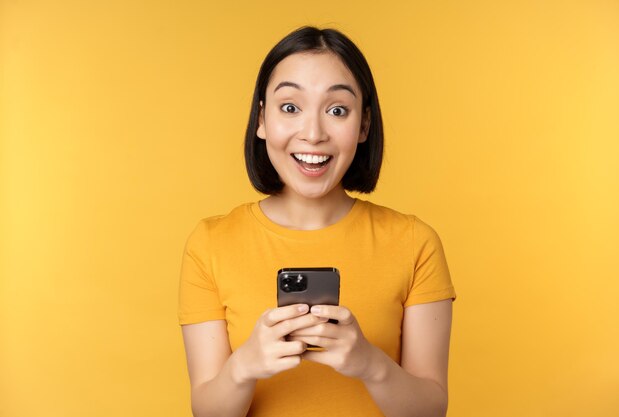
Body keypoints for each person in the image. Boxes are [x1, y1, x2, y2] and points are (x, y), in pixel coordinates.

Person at [178, 26, 456, 417]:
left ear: (363, 126)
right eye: (290, 107)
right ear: (261, 119)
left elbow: (431, 411)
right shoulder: (210, 243)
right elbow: (207, 412)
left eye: (337, 110)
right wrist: (243, 368)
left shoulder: (414, 242)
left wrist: (369, 364)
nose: (312, 134)